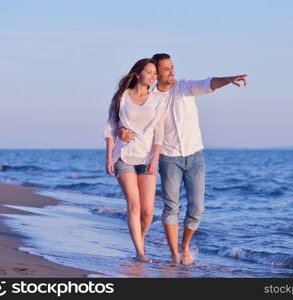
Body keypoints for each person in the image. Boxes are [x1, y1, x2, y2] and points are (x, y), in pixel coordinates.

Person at [116, 53, 247, 264]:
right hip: (168, 158)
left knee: (197, 209)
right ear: (157, 73)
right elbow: (136, 122)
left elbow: (207, 83)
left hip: (195, 155)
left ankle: (184, 245)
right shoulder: (151, 98)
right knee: (171, 208)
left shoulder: (185, 87)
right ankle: (175, 256)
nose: (172, 72)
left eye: (172, 67)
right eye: (166, 69)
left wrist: (229, 79)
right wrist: (121, 132)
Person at [104, 58, 166, 263]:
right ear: (138, 73)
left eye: (155, 73)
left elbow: (159, 133)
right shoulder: (122, 96)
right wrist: (109, 157)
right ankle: (140, 253)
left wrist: (155, 159)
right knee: (134, 205)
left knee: (148, 212)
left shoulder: (157, 100)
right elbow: (111, 127)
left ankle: (139, 240)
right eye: (149, 72)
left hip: (147, 157)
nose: (153, 76)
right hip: (124, 156)